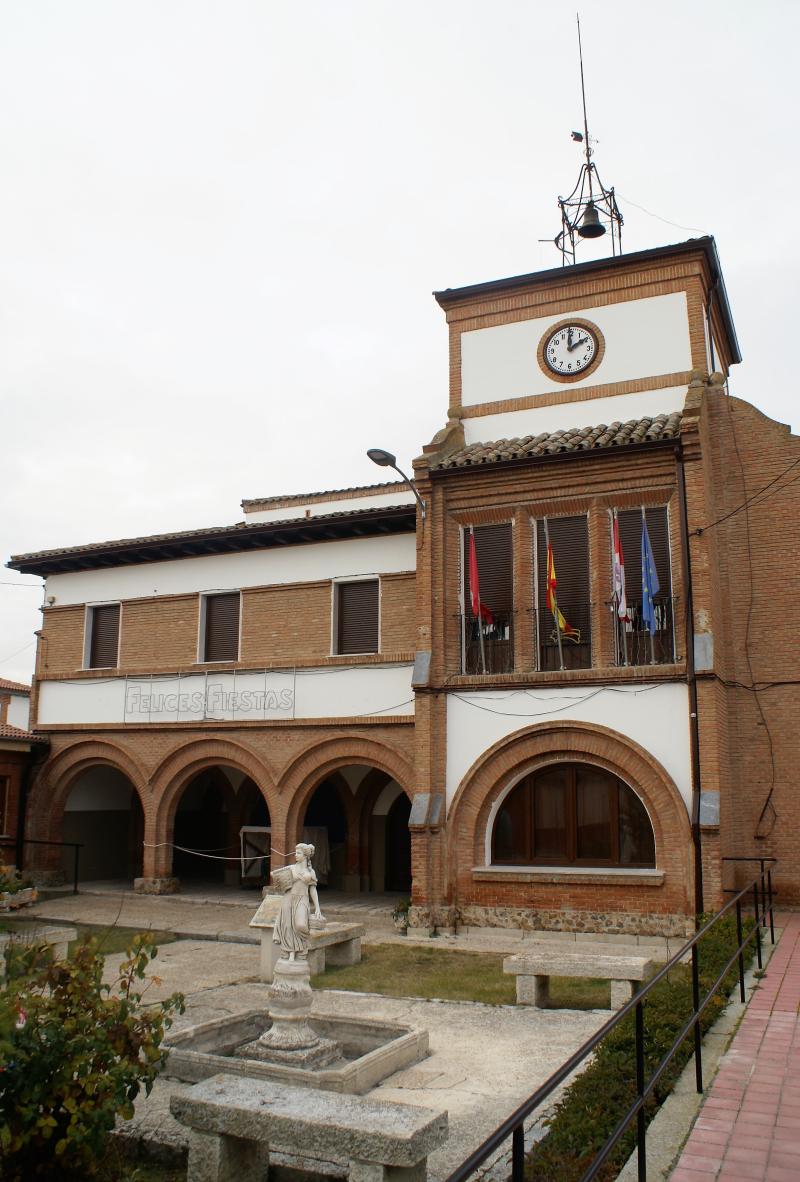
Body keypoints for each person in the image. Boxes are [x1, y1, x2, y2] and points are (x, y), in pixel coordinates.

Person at [272, 842, 324, 961]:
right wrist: (281, 878)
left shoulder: (311, 872)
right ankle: (290, 951)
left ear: (305, 856)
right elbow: (275, 875)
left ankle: (304, 944)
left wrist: (317, 907)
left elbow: (313, 890)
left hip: (302, 900)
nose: (295, 855)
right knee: (287, 926)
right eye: (296, 852)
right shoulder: (291, 868)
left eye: (298, 853)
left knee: (300, 925)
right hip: (289, 898)